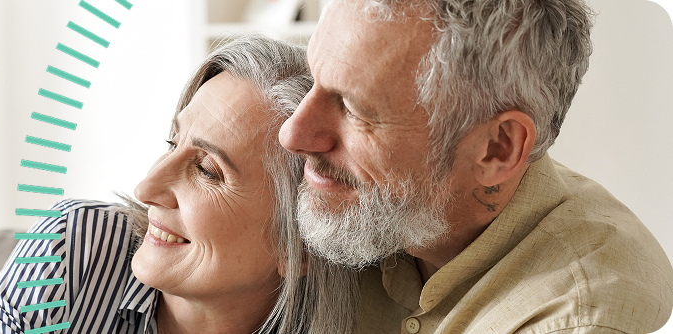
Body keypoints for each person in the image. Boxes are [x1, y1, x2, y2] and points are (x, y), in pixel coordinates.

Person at [278, 0, 673, 333]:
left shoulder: (581, 318)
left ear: (497, 149)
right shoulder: (370, 206)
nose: (291, 135)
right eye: (313, 79)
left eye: (353, 108)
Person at [0, 35, 358, 334]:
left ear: (300, 247)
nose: (146, 189)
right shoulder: (72, 246)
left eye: (207, 170)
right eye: (172, 142)